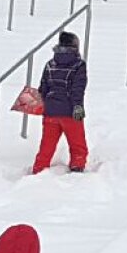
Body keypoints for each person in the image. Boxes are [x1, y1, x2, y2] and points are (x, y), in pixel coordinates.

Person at [32, 31, 88, 174]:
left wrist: (44, 104)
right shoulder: (79, 65)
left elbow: (43, 88)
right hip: (69, 112)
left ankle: (39, 169)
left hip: (50, 111)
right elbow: (77, 88)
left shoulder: (50, 64)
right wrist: (78, 106)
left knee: (47, 145)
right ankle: (77, 166)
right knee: (77, 144)